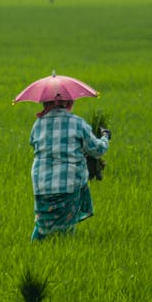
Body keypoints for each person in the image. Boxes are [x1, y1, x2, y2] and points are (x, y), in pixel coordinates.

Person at [29, 98, 111, 241]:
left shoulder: (38, 124)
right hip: (68, 184)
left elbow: (33, 144)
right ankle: (63, 250)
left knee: (43, 221)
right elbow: (97, 149)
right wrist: (105, 137)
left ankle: (34, 247)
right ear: (68, 103)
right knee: (66, 225)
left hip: (41, 185)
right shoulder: (77, 123)